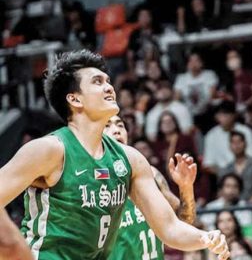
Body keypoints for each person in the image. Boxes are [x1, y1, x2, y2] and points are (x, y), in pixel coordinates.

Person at [0, 50, 229, 259]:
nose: (109, 87)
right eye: (97, 82)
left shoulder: (130, 159)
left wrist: (204, 238)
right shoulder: (49, 150)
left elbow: (170, 228)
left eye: (108, 81)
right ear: (74, 99)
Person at [104, 114, 197, 260]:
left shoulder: (151, 174)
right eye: (107, 126)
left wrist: (186, 188)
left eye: (120, 125)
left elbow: (185, 221)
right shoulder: (91, 181)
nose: (116, 130)